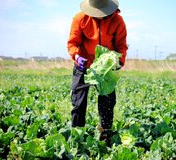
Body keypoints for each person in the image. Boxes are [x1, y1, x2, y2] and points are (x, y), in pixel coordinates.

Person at [67, 0, 127, 145]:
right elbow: (72, 42)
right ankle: (77, 134)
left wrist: (118, 61)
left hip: (105, 68)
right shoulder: (80, 19)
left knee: (107, 101)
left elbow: (121, 46)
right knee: (78, 101)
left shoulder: (118, 21)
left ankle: (105, 133)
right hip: (84, 64)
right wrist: (76, 56)